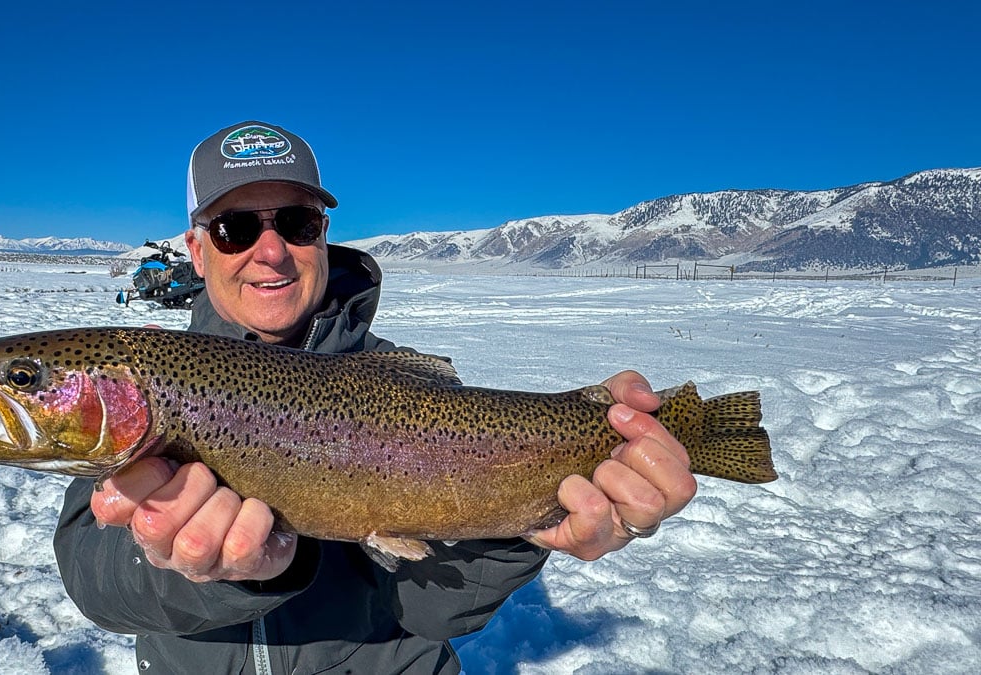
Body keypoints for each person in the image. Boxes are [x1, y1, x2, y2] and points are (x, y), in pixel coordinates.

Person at [54, 121, 697, 674]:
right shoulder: (146, 385)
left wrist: (519, 520)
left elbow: (435, 608)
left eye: (298, 224)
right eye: (235, 229)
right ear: (195, 252)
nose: (271, 251)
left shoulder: (403, 392)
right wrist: (214, 569)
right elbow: (97, 583)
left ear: (323, 234)